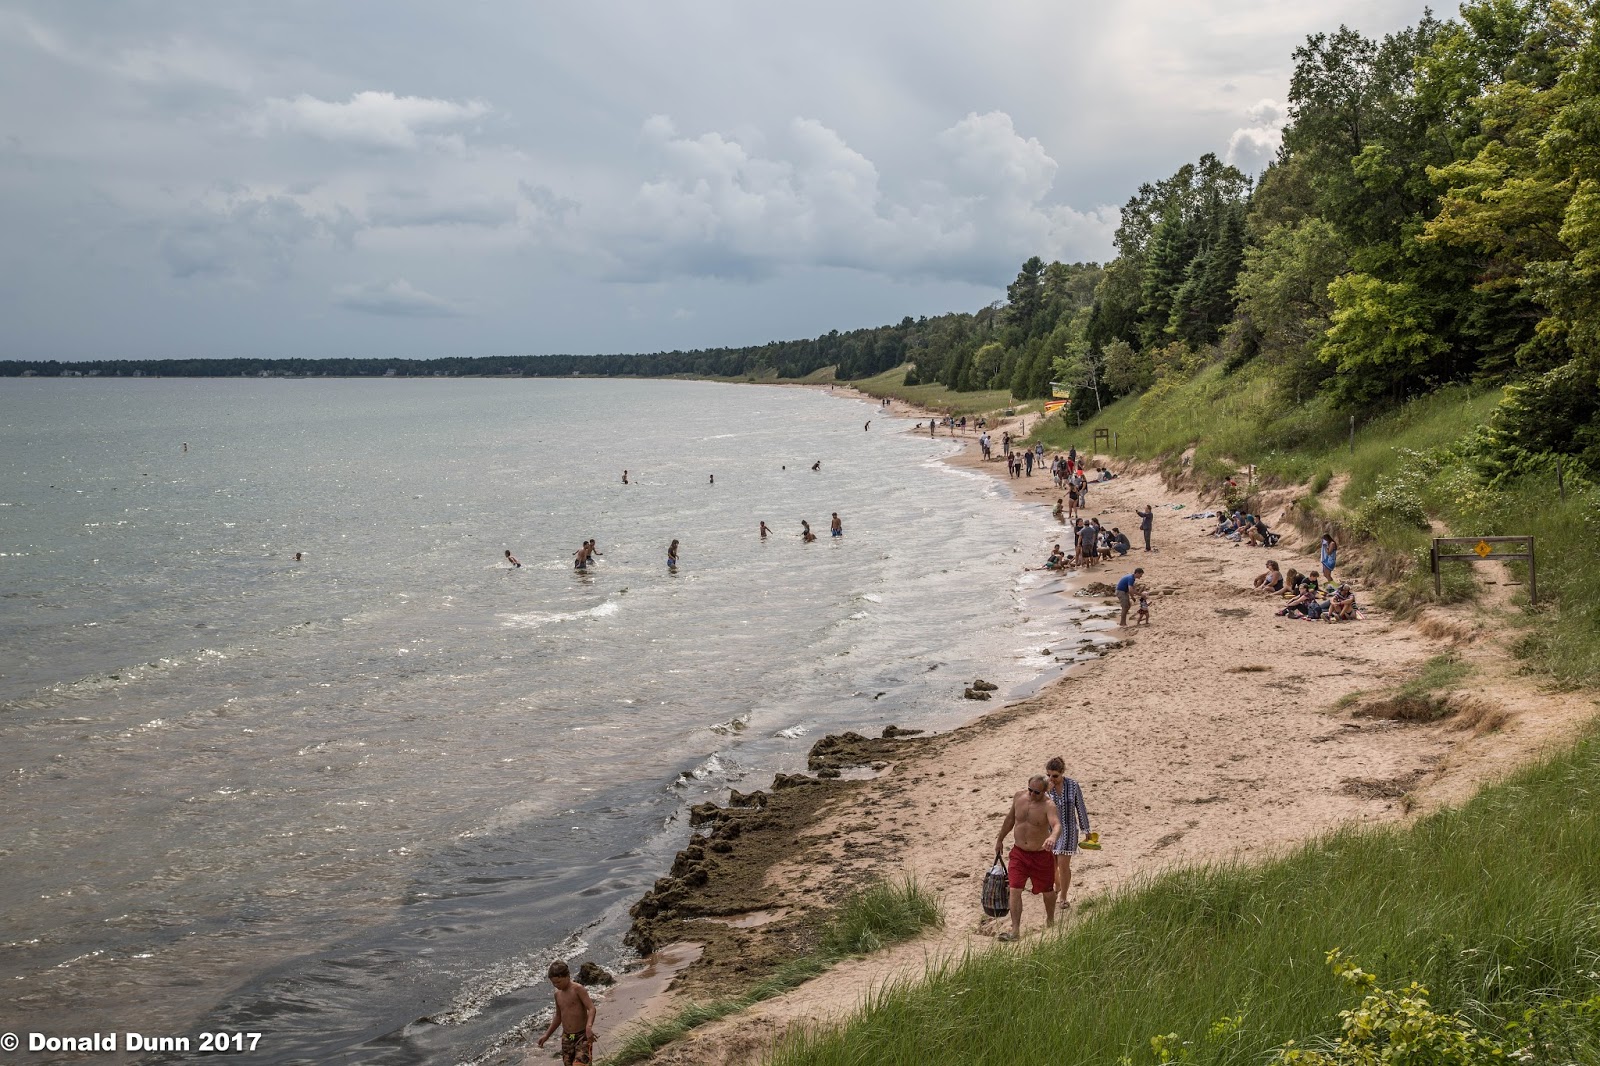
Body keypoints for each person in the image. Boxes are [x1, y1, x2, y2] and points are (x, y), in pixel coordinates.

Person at [993, 774, 1060, 941]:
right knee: (1015, 889)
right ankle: (1015, 931)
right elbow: (1010, 819)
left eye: (1036, 792)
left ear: (1045, 791)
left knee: (1048, 891)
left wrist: (1052, 837)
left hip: (1040, 855)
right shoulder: (1019, 797)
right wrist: (1000, 839)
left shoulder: (1048, 805)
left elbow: (1056, 825)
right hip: (1019, 853)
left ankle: (1050, 922)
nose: (1032, 794)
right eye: (1030, 790)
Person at [1044, 757, 1090, 907]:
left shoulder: (1073, 785)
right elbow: (1037, 805)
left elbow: (1080, 807)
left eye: (1055, 775)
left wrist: (1086, 830)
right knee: (1051, 865)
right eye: (1048, 775)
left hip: (1069, 830)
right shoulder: (1044, 788)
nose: (1051, 779)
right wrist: (1046, 792)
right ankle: (1057, 885)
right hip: (1050, 831)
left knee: (1063, 865)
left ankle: (1063, 896)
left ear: (1062, 772)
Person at [536, 960, 596, 1066]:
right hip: (568, 1037)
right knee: (568, 1063)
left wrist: (589, 1027)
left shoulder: (578, 989)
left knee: (580, 1063)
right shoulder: (557, 994)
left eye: (558, 982)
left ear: (567, 976)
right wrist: (547, 1035)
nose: (556, 985)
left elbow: (591, 1008)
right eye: (553, 983)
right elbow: (558, 1017)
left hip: (582, 1036)